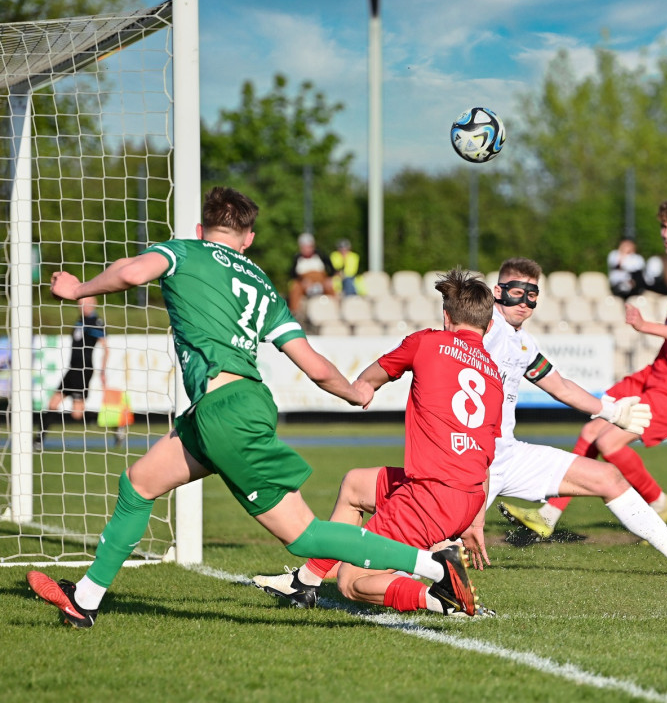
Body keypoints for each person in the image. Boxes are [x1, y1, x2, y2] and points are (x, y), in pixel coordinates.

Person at [27, 186, 478, 629]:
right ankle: (85, 599)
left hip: (226, 412)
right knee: (138, 484)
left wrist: (77, 289)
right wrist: (353, 391)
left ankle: (437, 567)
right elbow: (312, 364)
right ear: (248, 239)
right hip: (230, 407)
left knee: (304, 535)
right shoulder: (260, 282)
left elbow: (129, 274)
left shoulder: (182, 252)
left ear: (202, 228)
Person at [254, 269, 503, 614]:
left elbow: (371, 378)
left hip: (431, 495)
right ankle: (306, 582)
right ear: (488, 327)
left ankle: (442, 597)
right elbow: (487, 455)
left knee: (350, 581)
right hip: (467, 496)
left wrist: (362, 390)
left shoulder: (427, 341)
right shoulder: (493, 374)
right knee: (356, 484)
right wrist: (475, 521)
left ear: (446, 318)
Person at [488, 258, 667, 576]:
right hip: (470, 459)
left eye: (531, 294)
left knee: (608, 476)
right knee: (433, 541)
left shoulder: (522, 342)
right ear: (497, 292)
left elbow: (561, 387)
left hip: (505, 454)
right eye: (515, 292)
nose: (523, 301)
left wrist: (614, 412)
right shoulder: (487, 328)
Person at [533, 196, 667, 532]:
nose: (666, 233)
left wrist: (647, 326)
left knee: (608, 442)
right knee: (593, 426)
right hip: (658, 372)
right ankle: (546, 517)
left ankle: (658, 503)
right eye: (663, 226)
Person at [36, 296, 107, 444]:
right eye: (79, 304)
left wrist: (103, 371)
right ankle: (38, 439)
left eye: (85, 304)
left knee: (77, 414)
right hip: (72, 369)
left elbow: (106, 348)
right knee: (53, 403)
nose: (81, 306)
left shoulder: (96, 322)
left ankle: (114, 425)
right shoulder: (79, 320)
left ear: (93, 304)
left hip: (83, 370)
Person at [287, 232, 336, 313]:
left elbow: (331, 269)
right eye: (304, 247)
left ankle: (334, 310)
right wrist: (302, 281)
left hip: (321, 280)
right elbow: (292, 274)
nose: (307, 249)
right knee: (295, 287)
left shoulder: (320, 255)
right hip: (304, 282)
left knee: (330, 287)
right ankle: (294, 312)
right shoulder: (297, 258)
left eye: (309, 247)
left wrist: (329, 279)